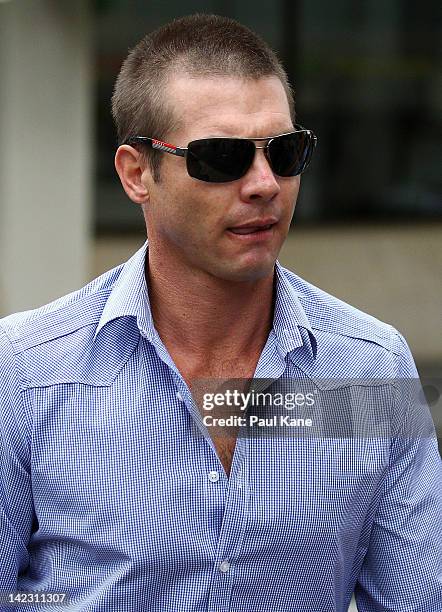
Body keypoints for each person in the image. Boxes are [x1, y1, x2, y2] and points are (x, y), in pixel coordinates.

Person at [0, 13, 440, 612]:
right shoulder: (26, 372)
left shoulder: (368, 366)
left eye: (285, 152)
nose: (264, 183)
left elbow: (414, 599)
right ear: (136, 174)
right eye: (221, 157)